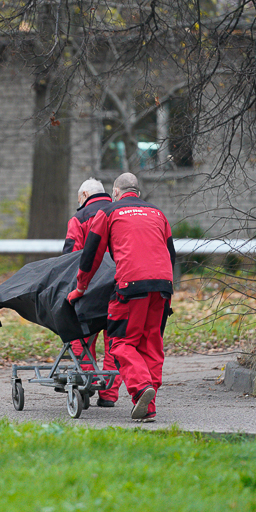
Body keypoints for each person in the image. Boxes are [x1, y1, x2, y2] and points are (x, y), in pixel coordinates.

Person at [67, 172, 175, 422]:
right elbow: (170, 253)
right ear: (138, 191)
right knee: (152, 344)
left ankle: (140, 387)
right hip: (162, 285)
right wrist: (169, 291)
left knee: (121, 343)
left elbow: (91, 255)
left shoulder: (109, 212)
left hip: (130, 286)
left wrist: (80, 288)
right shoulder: (158, 214)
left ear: (115, 192)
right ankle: (147, 407)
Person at [62, 178, 122, 407]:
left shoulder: (79, 218)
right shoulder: (119, 212)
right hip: (120, 286)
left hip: (88, 290)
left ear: (85, 194)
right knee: (115, 341)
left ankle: (89, 383)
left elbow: (70, 257)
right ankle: (109, 394)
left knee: (79, 339)